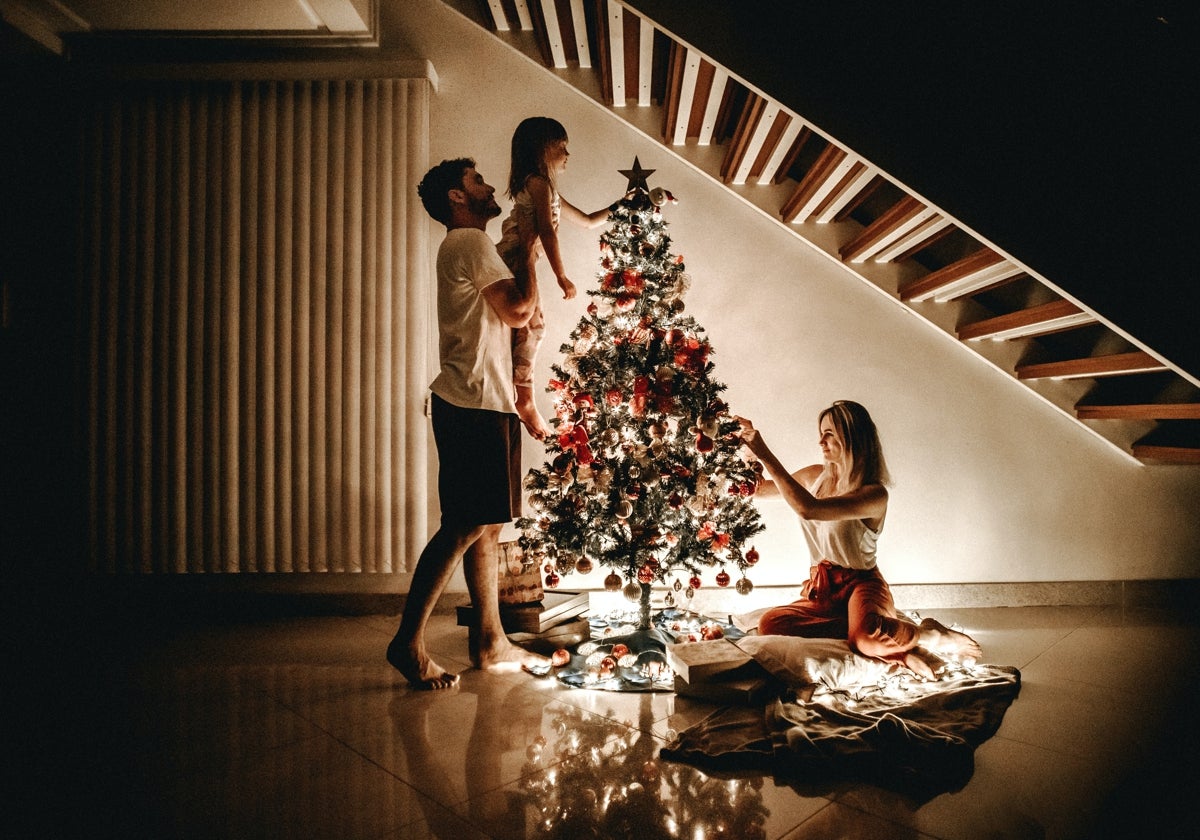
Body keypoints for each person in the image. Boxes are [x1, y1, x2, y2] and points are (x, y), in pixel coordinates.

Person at [387, 157, 549, 690]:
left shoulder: (467, 248)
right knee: (463, 522)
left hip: (487, 400)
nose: (484, 188)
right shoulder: (468, 243)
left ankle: (489, 639)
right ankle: (408, 643)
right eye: (475, 181)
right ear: (457, 197)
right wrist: (529, 245)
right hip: (472, 400)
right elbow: (520, 310)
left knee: (486, 521)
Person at [736, 400, 982, 679]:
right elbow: (756, 491)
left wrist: (764, 451)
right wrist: (748, 448)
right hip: (824, 587)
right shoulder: (814, 475)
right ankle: (891, 641)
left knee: (865, 639)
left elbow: (808, 509)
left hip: (861, 584)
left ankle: (927, 635)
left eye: (829, 433)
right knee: (770, 624)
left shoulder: (874, 495)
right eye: (821, 432)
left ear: (852, 437)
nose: (821, 440)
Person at [496, 116, 614, 440]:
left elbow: (589, 221)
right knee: (532, 326)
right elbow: (546, 232)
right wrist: (562, 277)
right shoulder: (538, 183)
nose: (567, 155)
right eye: (562, 147)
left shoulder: (547, 190)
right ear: (542, 150)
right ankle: (524, 399)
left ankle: (521, 396)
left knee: (528, 328)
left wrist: (623, 205)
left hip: (518, 262)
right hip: (512, 260)